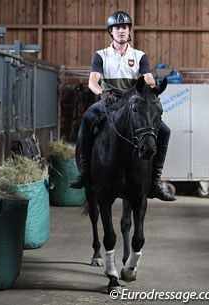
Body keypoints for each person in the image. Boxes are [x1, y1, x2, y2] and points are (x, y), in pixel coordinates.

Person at [69, 11, 176, 201]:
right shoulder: (101, 55)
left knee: (165, 131)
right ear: (111, 31)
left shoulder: (140, 55)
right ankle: (85, 172)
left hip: (133, 103)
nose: (121, 31)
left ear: (129, 31)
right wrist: (102, 93)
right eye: (117, 28)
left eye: (124, 27)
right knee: (87, 119)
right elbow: (93, 81)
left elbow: (148, 77)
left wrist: (153, 88)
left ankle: (155, 182)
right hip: (109, 101)